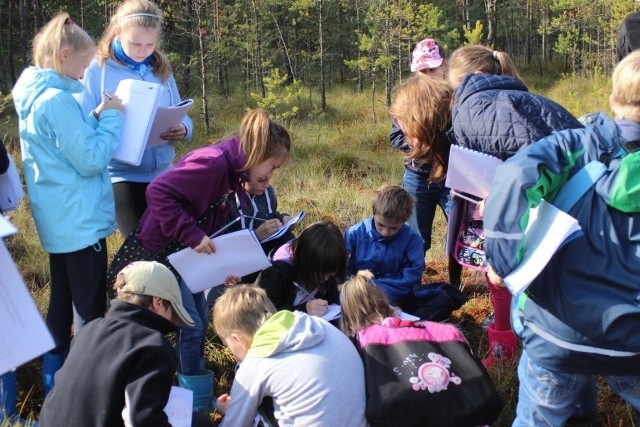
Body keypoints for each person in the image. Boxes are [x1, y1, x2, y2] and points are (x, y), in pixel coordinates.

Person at [482, 50, 640, 426]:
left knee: (540, 417)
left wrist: (506, 262)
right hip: (633, 340)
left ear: (615, 97)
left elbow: (513, 178)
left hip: (556, 332)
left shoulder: (573, 145)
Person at [133, 108, 290, 407]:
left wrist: (224, 268)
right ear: (258, 152)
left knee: (199, 319)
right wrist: (193, 235)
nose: (270, 176)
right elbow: (158, 193)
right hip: (161, 251)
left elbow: (212, 220)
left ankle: (192, 393)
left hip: (183, 253)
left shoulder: (232, 172)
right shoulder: (213, 163)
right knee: (190, 325)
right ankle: (192, 404)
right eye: (273, 166)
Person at [446, 44, 583, 366]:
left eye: (454, 86)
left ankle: (507, 348)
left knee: (503, 272)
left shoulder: (475, 107)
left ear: (473, 76)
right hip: (568, 203)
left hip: (537, 208)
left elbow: (520, 164)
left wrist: (497, 205)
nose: (454, 95)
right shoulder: (524, 99)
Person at [11, 13, 124, 393]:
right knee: (90, 311)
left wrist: (93, 116)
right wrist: (112, 119)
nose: (86, 71)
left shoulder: (36, 96)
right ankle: (88, 393)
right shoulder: (57, 101)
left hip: (60, 220)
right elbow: (90, 160)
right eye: (84, 63)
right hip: (81, 221)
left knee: (60, 308)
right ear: (63, 55)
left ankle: (54, 388)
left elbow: (63, 149)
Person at [39, 261, 210, 427]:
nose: (171, 322)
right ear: (158, 302)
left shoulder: (89, 329)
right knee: (201, 424)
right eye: (172, 312)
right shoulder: (152, 346)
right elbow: (140, 420)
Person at [76, 0, 193, 236]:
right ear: (117, 32)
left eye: (150, 44)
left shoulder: (160, 68)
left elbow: (181, 112)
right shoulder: (96, 70)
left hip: (163, 173)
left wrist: (183, 127)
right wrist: (103, 112)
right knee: (139, 251)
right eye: (136, 43)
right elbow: (81, 126)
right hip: (122, 176)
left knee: (171, 245)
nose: (143, 50)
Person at [213, 284, 368, 427]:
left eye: (229, 347)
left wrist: (231, 410)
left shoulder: (256, 363)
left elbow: (234, 424)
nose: (233, 355)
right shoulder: (317, 324)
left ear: (237, 338)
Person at [390, 38, 462, 288]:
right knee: (415, 234)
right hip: (417, 175)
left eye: (432, 69)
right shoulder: (407, 99)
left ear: (444, 67)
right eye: (422, 70)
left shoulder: (454, 98)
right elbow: (395, 135)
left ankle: (456, 283)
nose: (428, 75)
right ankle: (413, 283)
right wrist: (418, 146)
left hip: (453, 176)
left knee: (459, 231)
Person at [345, 185, 461, 322]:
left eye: (393, 228)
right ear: (374, 213)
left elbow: (410, 278)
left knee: (443, 301)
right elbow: (344, 271)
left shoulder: (412, 240)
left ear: (404, 220)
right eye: (381, 225)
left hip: (398, 299)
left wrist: (383, 294)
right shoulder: (355, 234)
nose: (386, 232)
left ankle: (394, 322)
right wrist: (365, 292)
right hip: (361, 298)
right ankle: (393, 324)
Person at [255, 221, 344, 317]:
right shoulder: (275, 275)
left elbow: (331, 298)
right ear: (307, 262)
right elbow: (263, 316)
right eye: (322, 274)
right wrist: (304, 310)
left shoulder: (325, 265)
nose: (326, 279)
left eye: (331, 274)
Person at [225, 182, 294, 283]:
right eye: (261, 179)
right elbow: (225, 244)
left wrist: (283, 218)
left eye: (269, 179)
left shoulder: (267, 191)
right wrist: (256, 235)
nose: (266, 184)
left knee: (290, 241)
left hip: (266, 254)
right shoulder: (228, 201)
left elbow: (272, 214)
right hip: (241, 263)